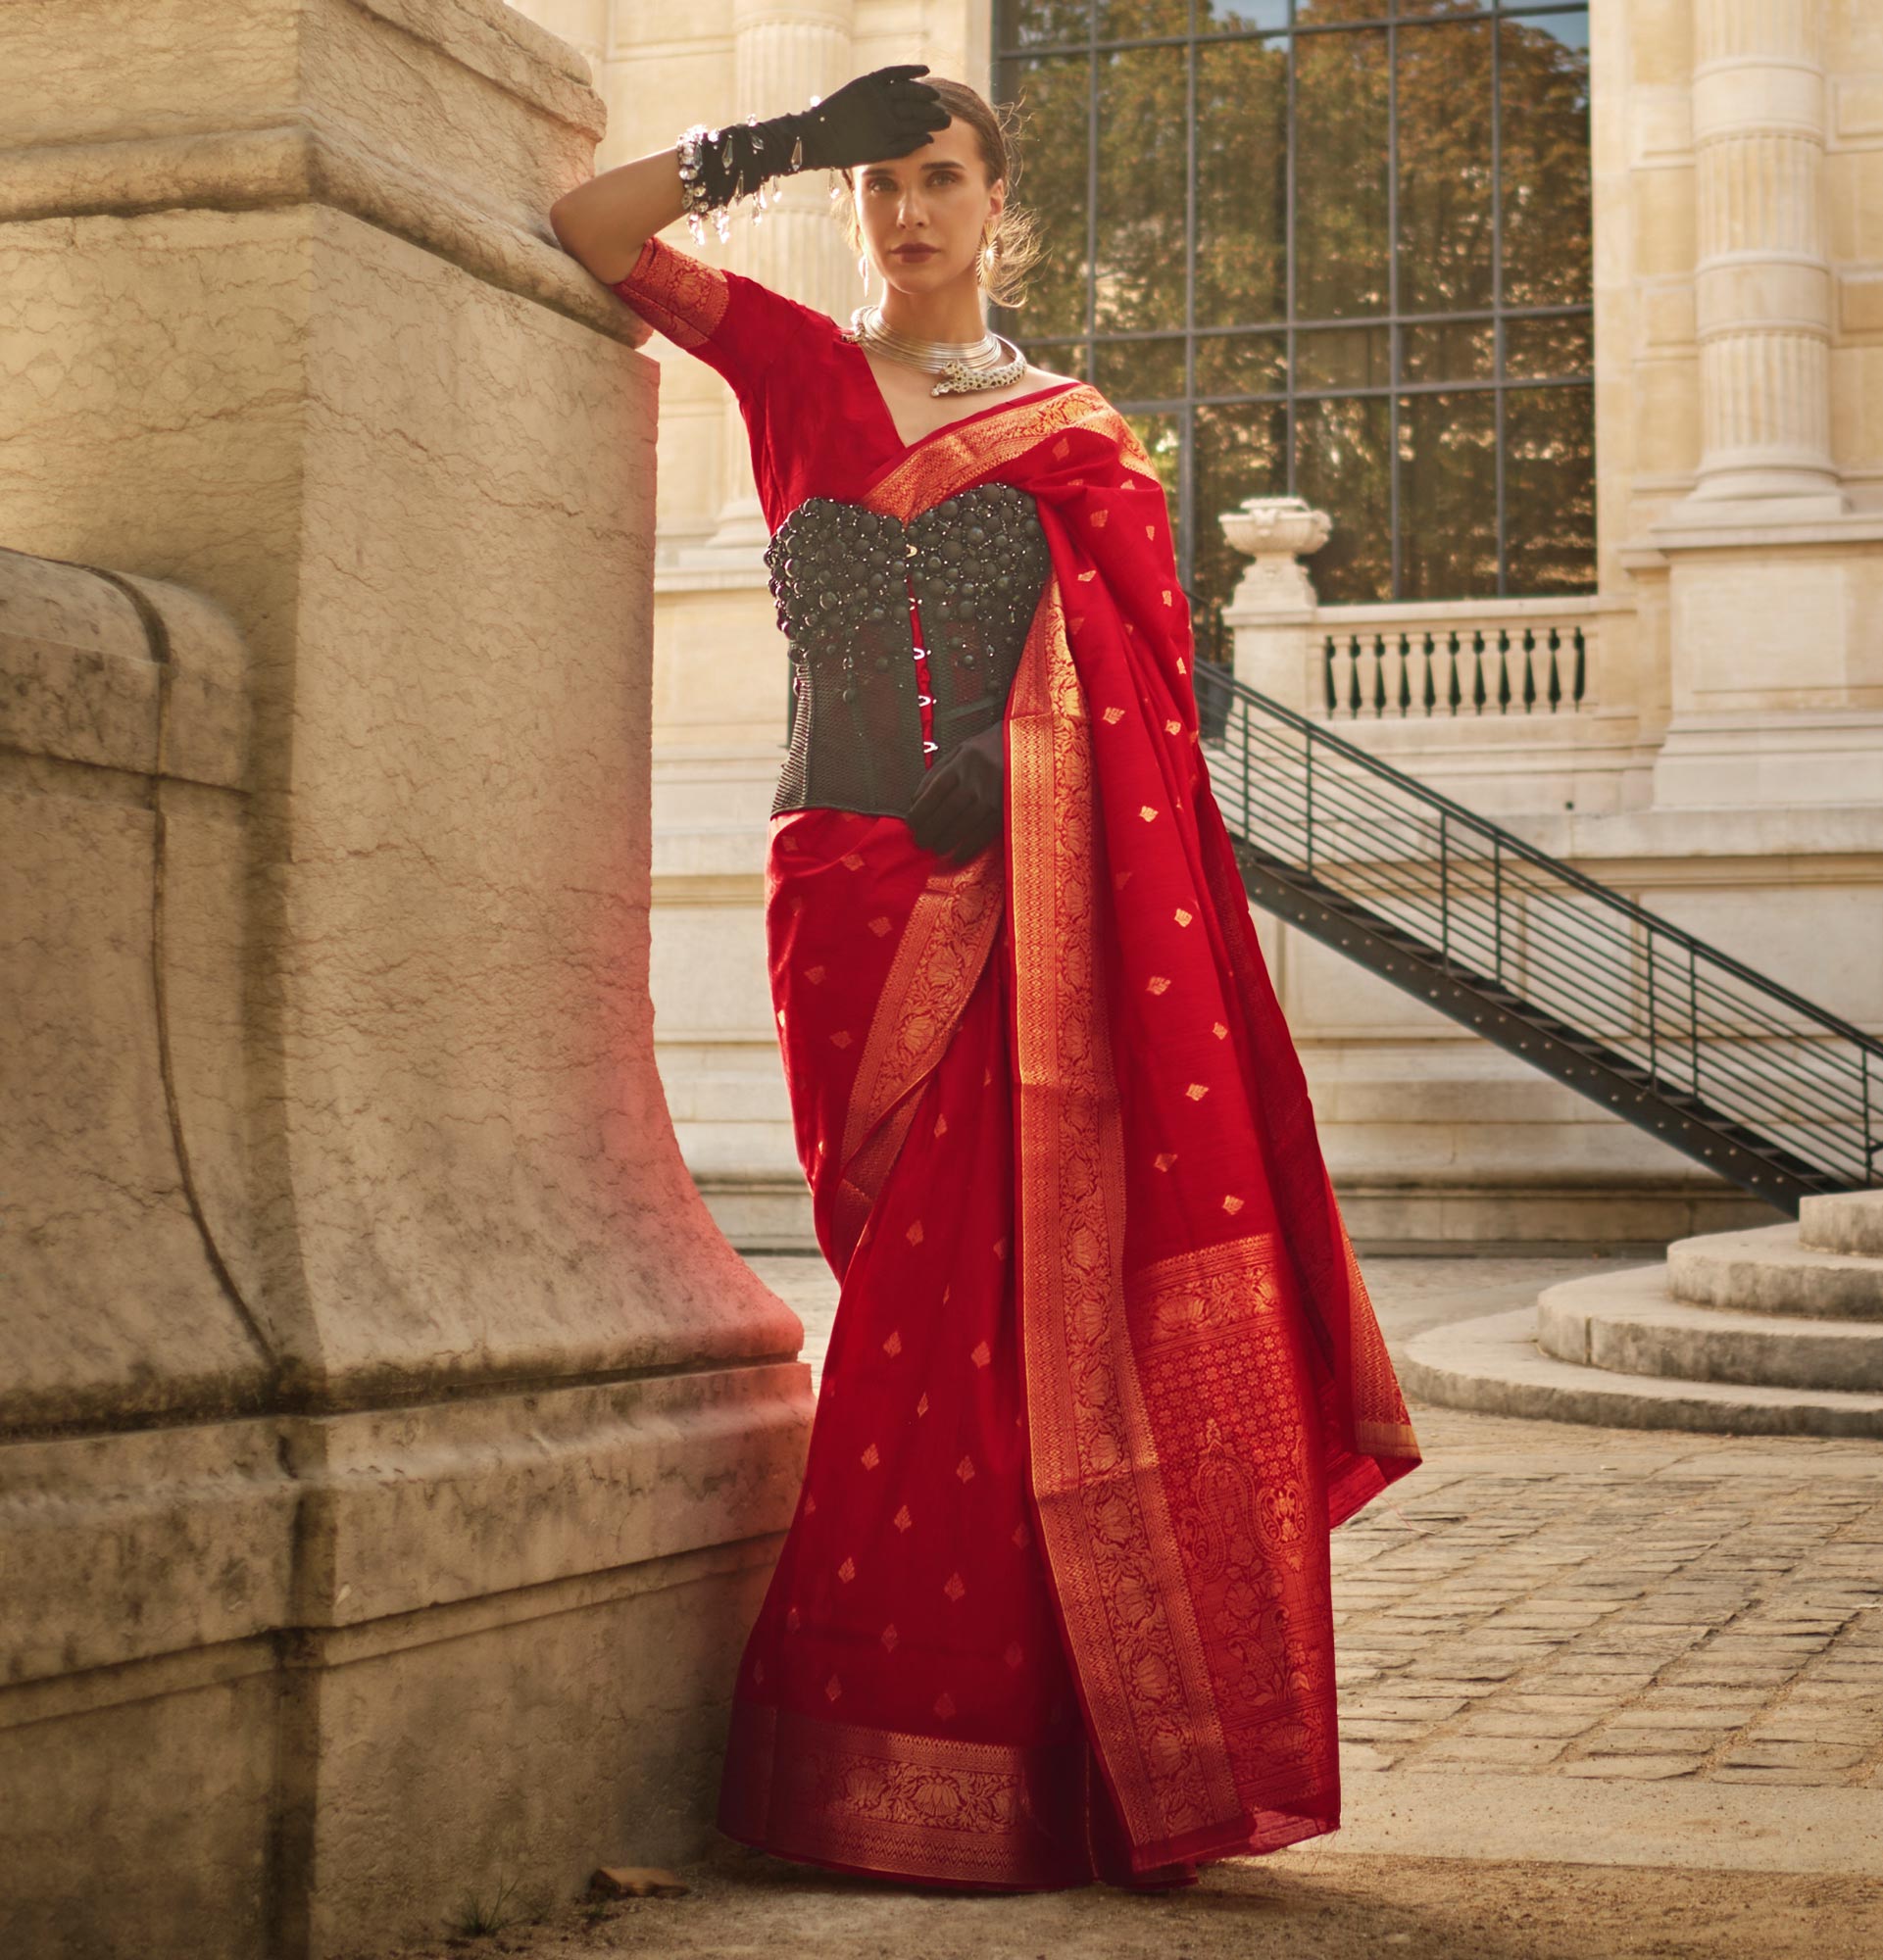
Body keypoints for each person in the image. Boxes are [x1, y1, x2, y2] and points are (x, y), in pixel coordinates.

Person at [550, 66, 1421, 1894]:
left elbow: (1153, 711)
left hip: (1013, 899)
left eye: (937, 178)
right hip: (845, 890)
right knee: (900, 1284)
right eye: (878, 184)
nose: (907, 213)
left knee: (993, 1320)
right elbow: (594, 231)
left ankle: (1022, 1756)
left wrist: (1020, 772)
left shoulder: (1077, 433)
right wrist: (769, 144)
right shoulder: (792, 368)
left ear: (995, 200)